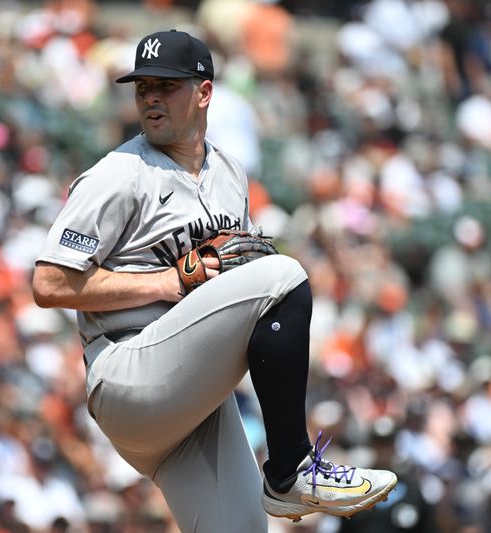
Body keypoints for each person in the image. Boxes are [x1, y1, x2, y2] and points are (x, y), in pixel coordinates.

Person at [32, 29, 397, 531]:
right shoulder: (118, 174)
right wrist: (164, 282)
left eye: (167, 86)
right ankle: (290, 468)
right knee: (284, 276)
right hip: (128, 371)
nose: (152, 98)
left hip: (189, 392)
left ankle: (285, 477)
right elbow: (48, 284)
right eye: (143, 88)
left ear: (204, 92)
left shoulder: (230, 174)